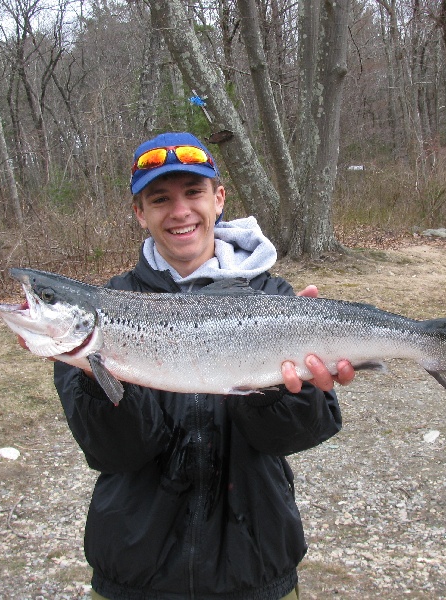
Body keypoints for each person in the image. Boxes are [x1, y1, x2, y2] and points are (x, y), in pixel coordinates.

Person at [51, 131, 355, 599]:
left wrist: (279, 392)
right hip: (135, 573)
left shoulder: (275, 300)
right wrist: (98, 377)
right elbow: (117, 454)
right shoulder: (101, 312)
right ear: (140, 213)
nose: (179, 211)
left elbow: (296, 437)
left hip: (255, 568)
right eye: (159, 199)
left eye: (193, 193)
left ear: (218, 200)